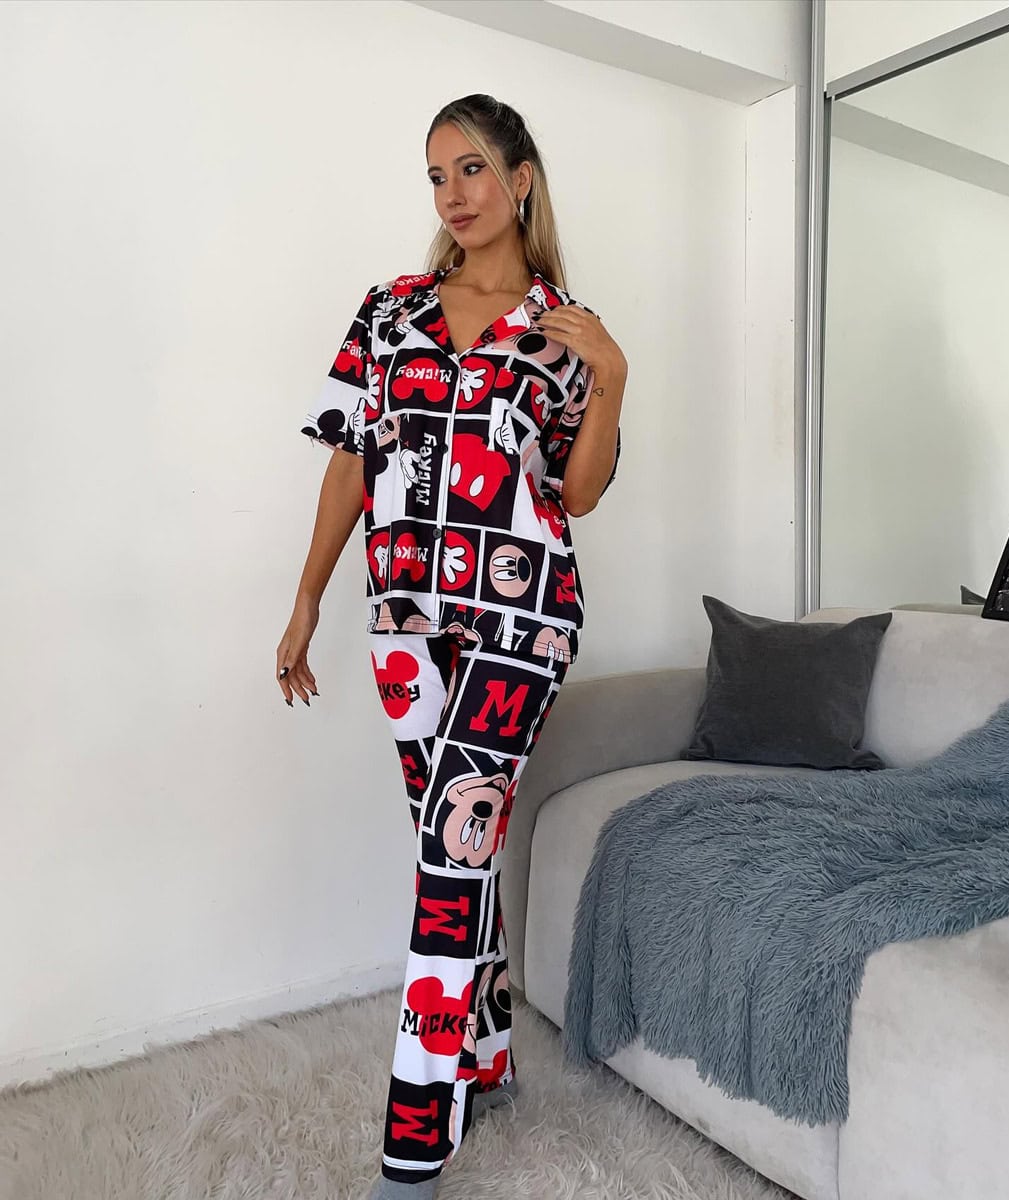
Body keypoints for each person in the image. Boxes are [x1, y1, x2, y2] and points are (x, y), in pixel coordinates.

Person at [276, 94, 626, 1199]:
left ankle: (414, 1144)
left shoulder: (567, 329)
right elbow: (350, 460)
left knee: (447, 857)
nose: (453, 195)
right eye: (436, 176)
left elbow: (578, 492)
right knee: (457, 855)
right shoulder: (388, 313)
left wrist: (613, 379)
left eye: (471, 168)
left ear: (519, 177)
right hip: (402, 620)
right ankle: (490, 1056)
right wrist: (306, 600)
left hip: (522, 622)